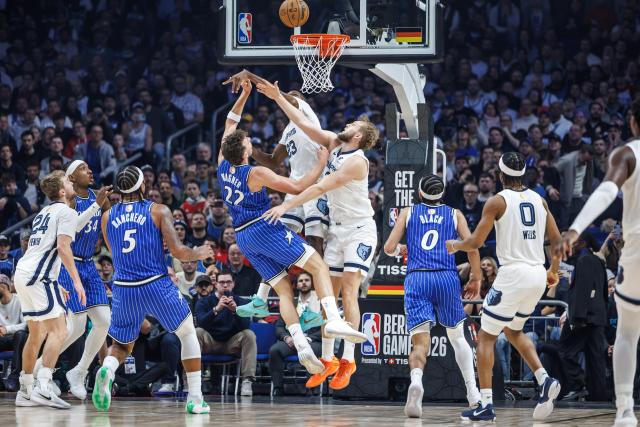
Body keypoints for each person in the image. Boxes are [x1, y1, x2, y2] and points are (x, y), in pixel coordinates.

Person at [216, 81, 366, 376]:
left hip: (243, 237)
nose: (250, 141)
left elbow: (229, 122)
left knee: (284, 290)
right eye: (248, 142)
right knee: (319, 267)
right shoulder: (255, 172)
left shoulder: (222, 164)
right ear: (245, 151)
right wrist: (321, 163)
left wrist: (244, 95)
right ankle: (333, 318)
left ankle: (302, 346)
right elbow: (298, 186)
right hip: (264, 227)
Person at [259, 79, 379, 391]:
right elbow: (301, 122)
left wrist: (288, 206)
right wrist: (277, 97)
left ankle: (349, 360)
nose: (347, 123)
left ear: (359, 136)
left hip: (360, 230)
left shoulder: (357, 161)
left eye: (352, 124)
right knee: (329, 299)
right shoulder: (336, 144)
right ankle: (329, 361)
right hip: (337, 231)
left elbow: (321, 186)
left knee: (349, 291)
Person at [445, 152, 563, 422]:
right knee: (513, 329)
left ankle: (485, 404)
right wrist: (553, 271)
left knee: (485, 337)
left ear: (499, 175)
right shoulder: (540, 200)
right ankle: (544, 379)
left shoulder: (497, 201)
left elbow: (475, 242)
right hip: (536, 273)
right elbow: (557, 240)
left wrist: (455, 245)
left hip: (513, 274)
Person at [92, 166, 213, 414]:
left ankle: (108, 369)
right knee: (188, 333)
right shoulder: (158, 210)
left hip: (124, 287)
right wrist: (198, 253)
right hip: (155, 282)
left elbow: (114, 252)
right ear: (142, 186)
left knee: (123, 345)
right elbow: (178, 251)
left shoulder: (107, 216)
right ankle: (196, 398)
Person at [561, 100, 640, 426]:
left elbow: (607, 190)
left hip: (637, 252)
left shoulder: (627, 153)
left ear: (633, 122)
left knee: (628, 332)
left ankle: (624, 409)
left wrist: (576, 227)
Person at [383, 175, 482, 418]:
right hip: (446, 278)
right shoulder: (455, 213)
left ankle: (416, 381)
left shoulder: (408, 212)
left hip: (418, 278)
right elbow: (472, 246)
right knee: (458, 338)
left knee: (420, 344)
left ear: (420, 193)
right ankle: (473, 395)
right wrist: (476, 278)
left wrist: (400, 249)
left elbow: (388, 248)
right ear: (441, 194)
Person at [34, 160, 112, 400]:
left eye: (90, 168)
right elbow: (72, 231)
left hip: (89, 263)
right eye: (83, 168)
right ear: (70, 176)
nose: (90, 171)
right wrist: (96, 205)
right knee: (75, 327)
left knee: (103, 320)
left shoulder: (99, 198)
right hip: (67, 264)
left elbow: (107, 229)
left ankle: (79, 372)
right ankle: (39, 370)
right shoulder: (65, 201)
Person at [13, 170, 86, 409]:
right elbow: (63, 249)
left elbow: (45, 251)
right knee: (61, 330)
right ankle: (44, 387)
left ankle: (25, 390)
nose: (72, 182)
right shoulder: (67, 211)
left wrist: (56, 282)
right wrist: (75, 281)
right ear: (62, 191)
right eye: (68, 181)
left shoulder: (44, 212)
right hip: (38, 277)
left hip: (24, 273)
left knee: (38, 333)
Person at [195, 270, 256, 396]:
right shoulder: (204, 301)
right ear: (215, 284)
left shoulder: (242, 302)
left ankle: (247, 381)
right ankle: (192, 381)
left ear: (233, 284)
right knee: (197, 332)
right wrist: (216, 309)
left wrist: (235, 311)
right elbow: (201, 322)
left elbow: (245, 326)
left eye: (228, 282)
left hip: (231, 344)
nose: (225, 285)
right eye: (221, 282)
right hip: (210, 342)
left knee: (249, 334)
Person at [269, 272, 322, 396]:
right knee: (274, 350)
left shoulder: (319, 303)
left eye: (307, 280)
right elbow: (279, 327)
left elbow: (324, 329)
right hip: (292, 342)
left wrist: (308, 339)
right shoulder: (290, 303)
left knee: (310, 350)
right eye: (301, 281)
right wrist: (286, 338)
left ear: (312, 283)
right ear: (296, 285)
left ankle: (312, 387)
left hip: (312, 341)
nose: (303, 283)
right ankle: (278, 388)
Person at [0, 274, 28, 391]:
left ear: (5, 287)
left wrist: (7, 329)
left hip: (17, 338)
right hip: (2, 338)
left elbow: (26, 324)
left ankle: (14, 377)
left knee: (21, 335)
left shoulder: (20, 300)